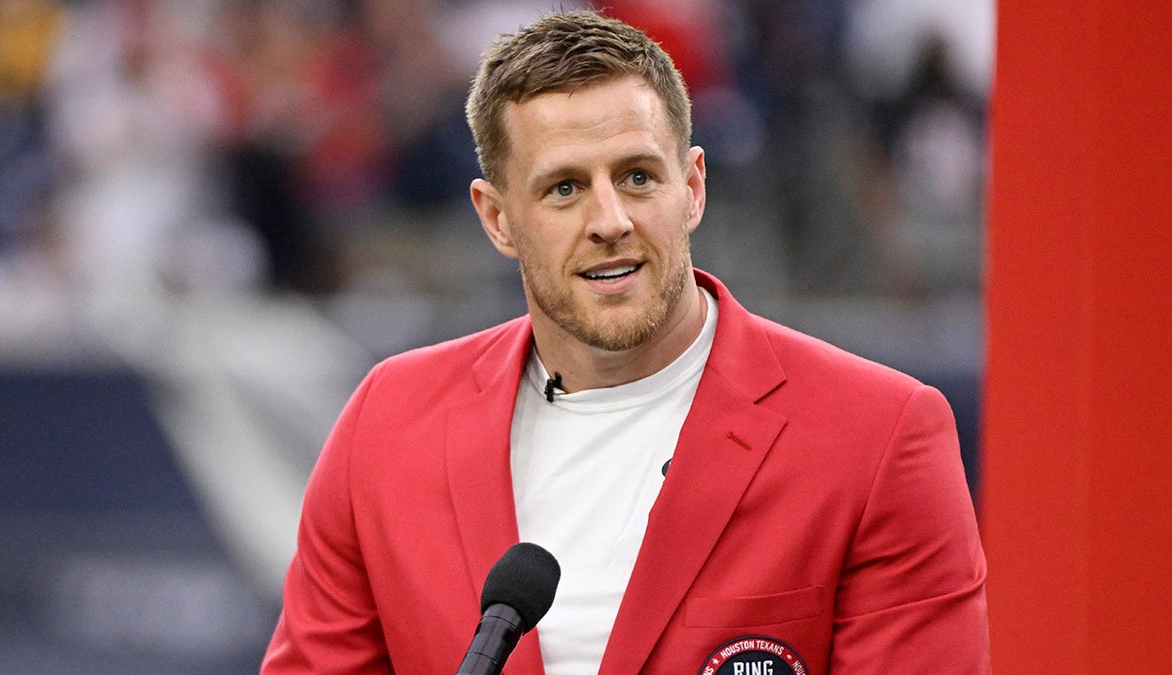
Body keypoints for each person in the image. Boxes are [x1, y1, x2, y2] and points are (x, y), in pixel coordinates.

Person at [262, 10, 988, 674]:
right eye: (564, 188)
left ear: (693, 187)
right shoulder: (387, 424)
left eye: (637, 176)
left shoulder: (880, 435)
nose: (609, 218)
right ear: (497, 218)